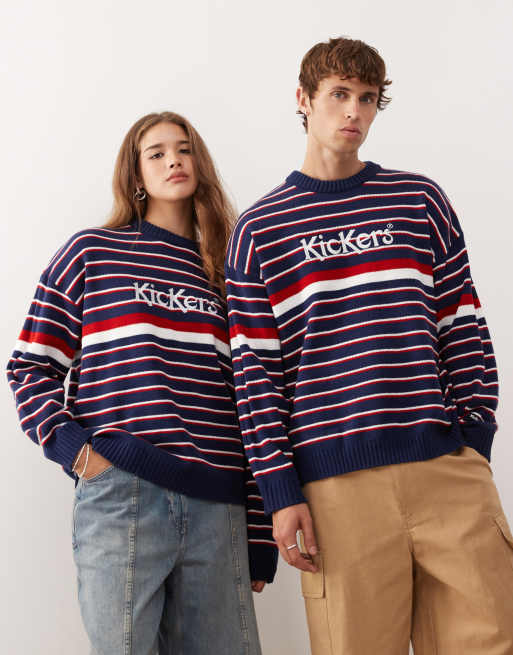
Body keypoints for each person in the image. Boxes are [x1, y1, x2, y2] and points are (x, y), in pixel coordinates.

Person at [225, 37, 513, 654]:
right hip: (336, 489)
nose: (353, 111)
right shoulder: (260, 231)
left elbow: (462, 326)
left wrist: (474, 442)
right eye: (338, 95)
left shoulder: (419, 202)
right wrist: (280, 494)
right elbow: (255, 377)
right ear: (303, 99)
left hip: (444, 468)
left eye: (367, 98)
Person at [7, 111, 277, 655]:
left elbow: (251, 405)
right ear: (135, 174)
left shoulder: (228, 275)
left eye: (184, 149)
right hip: (123, 493)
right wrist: (80, 455)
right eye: (156, 153)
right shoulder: (92, 253)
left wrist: (258, 531)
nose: (174, 160)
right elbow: (30, 367)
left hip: (217, 507)